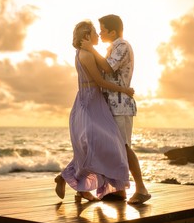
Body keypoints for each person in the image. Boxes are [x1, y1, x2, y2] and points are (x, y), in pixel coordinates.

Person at [54, 20, 132, 202]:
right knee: (99, 146)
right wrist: (125, 90)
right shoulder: (86, 55)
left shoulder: (85, 52)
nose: (98, 35)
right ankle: (71, 179)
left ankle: (73, 183)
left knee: (95, 148)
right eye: (94, 32)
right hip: (90, 102)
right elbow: (101, 80)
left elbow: (104, 67)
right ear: (87, 36)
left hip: (92, 101)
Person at [80, 14, 151, 204]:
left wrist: (91, 50)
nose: (100, 33)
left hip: (121, 105)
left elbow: (109, 68)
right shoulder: (112, 47)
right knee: (114, 148)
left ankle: (142, 189)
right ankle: (119, 190)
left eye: (102, 29)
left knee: (124, 147)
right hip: (110, 105)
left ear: (113, 31)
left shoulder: (122, 46)